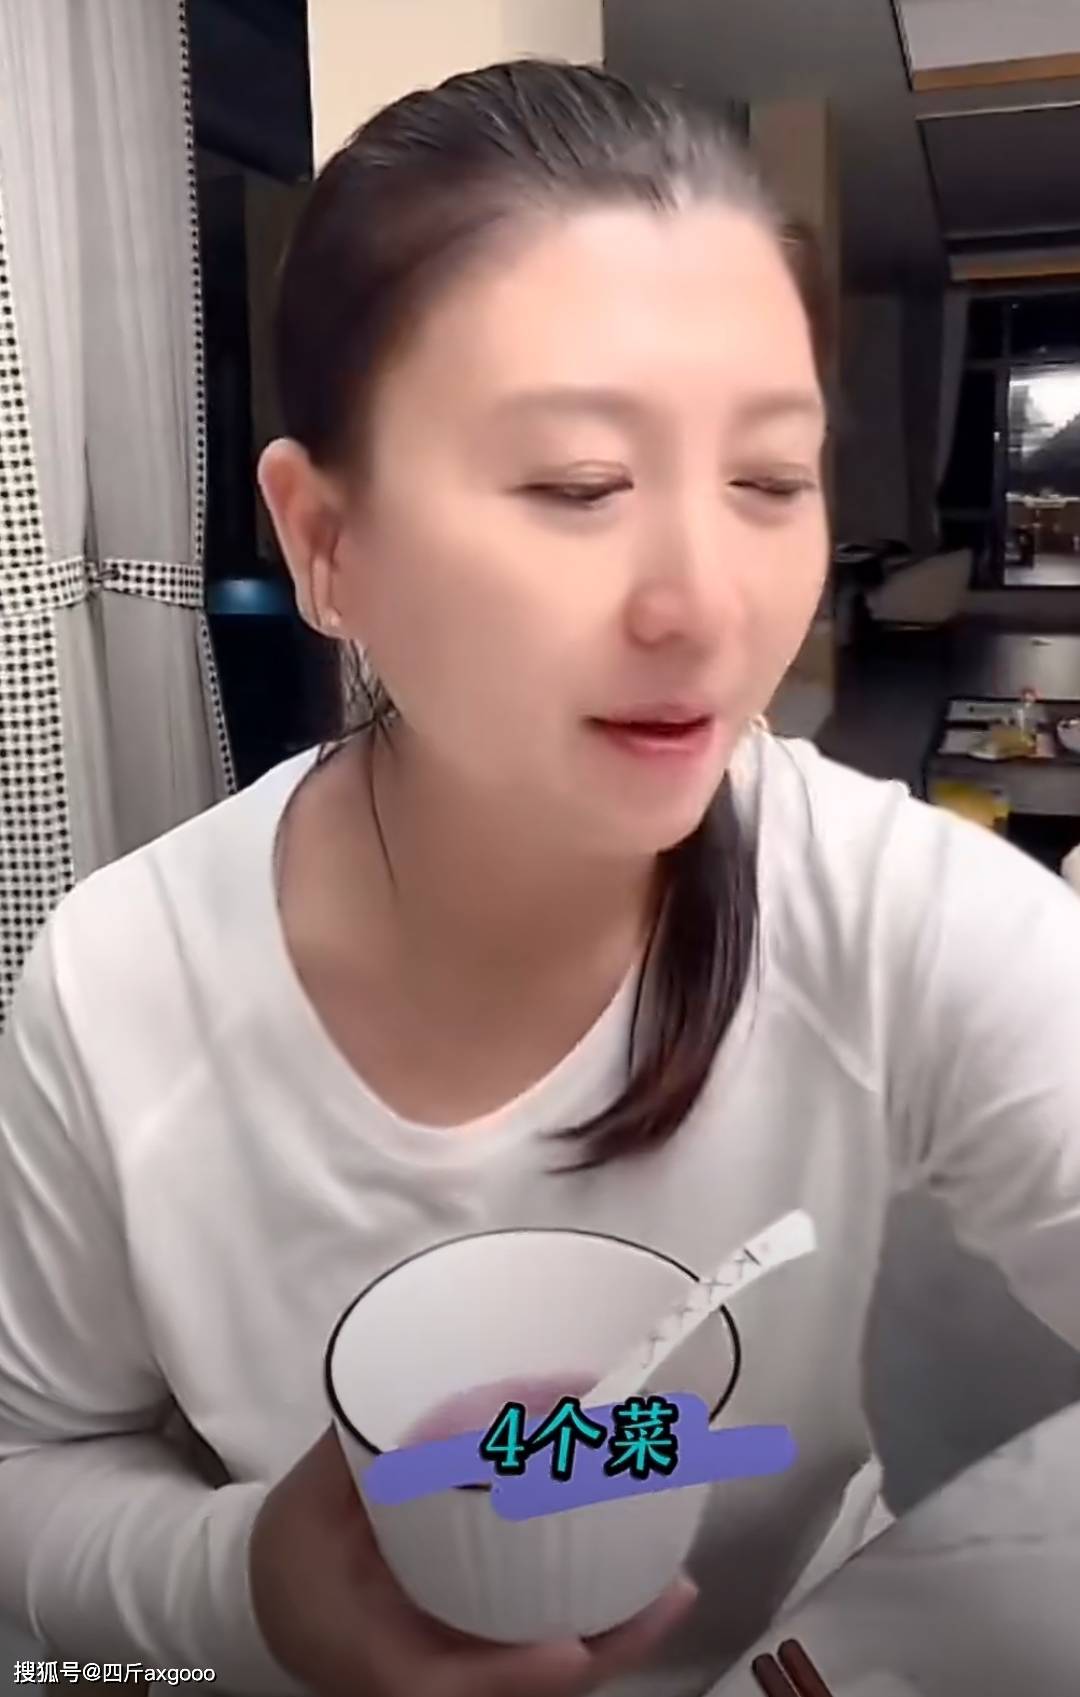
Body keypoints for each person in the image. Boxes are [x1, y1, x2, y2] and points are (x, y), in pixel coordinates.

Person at [1, 57, 1079, 1697]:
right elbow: (29, 1467)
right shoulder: (120, 986)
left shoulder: (903, 919)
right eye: (579, 486)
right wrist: (254, 1586)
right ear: (326, 541)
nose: (705, 604)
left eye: (769, 480)